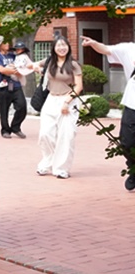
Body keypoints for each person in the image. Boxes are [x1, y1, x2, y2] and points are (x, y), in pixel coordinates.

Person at [80, 35, 135, 191]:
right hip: (132, 103)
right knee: (127, 142)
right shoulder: (129, 49)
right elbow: (106, 49)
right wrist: (93, 44)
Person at [35, 35, 83, 179]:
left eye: (64, 45)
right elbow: (33, 64)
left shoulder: (73, 65)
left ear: (68, 47)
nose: (61, 48)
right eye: (58, 46)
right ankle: (47, 162)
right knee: (45, 134)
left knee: (66, 136)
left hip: (68, 100)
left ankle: (62, 168)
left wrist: (67, 102)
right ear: (54, 48)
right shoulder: (50, 62)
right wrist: (37, 68)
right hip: (51, 99)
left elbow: (79, 86)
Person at [0, 36, 27, 138]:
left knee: (22, 107)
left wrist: (19, 70)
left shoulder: (13, 55)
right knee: (4, 110)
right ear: (0, 45)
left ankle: (15, 127)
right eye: (5, 43)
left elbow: (23, 64)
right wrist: (15, 71)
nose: (7, 44)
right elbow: (1, 70)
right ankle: (5, 130)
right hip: (4, 87)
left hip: (16, 85)